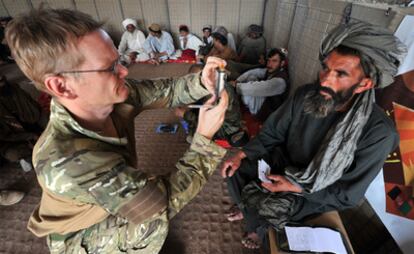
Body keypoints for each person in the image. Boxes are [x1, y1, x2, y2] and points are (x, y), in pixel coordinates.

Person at [6, 8, 229, 253]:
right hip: (80, 235)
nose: (124, 71)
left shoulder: (109, 94)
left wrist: (201, 81)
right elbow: (159, 204)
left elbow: (165, 91)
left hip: (103, 198)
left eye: (119, 61)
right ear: (62, 86)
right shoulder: (67, 161)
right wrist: (204, 139)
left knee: (139, 192)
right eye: (110, 67)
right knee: (151, 222)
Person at [220, 21, 405, 249]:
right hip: (280, 162)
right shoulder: (306, 95)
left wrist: (297, 186)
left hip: (314, 191)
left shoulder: (380, 134)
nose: (325, 79)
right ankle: (248, 208)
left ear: (364, 84)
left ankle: (255, 227)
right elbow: (272, 133)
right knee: (233, 168)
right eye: (326, 68)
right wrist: (243, 153)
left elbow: (348, 195)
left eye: (341, 74)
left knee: (270, 205)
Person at [0, 75, 43, 206]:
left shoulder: (14, 90)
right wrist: (29, 136)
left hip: (28, 128)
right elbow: (5, 136)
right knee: (15, 153)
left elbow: (35, 112)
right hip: (10, 140)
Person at [232, 48, 289, 121]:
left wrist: (235, 86)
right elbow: (253, 72)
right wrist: (237, 81)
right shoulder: (273, 71)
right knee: (251, 77)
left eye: (274, 61)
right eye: (269, 60)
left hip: (266, 113)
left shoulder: (280, 82)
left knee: (248, 90)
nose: (269, 64)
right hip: (263, 102)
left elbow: (255, 88)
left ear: (282, 63)